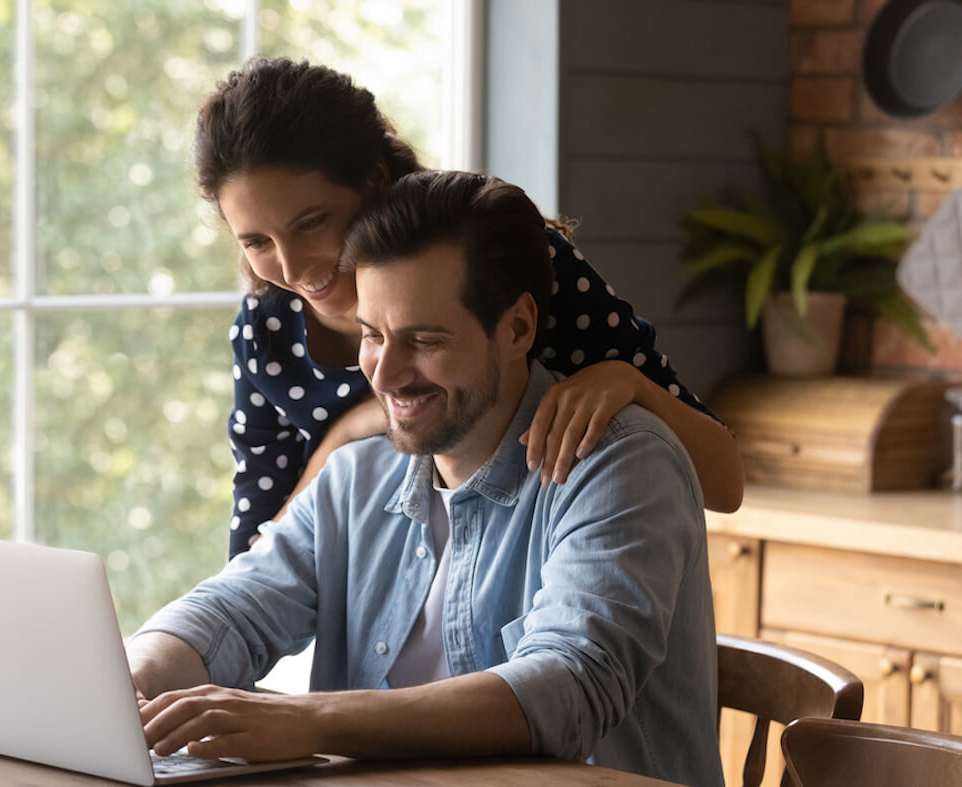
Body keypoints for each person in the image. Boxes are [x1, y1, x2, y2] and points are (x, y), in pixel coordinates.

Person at [128, 171, 723, 787]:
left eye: (425, 339)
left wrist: (308, 720)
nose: (385, 375)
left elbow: (568, 686)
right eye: (372, 335)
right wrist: (132, 679)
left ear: (517, 328)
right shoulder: (355, 479)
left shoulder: (621, 464)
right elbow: (232, 612)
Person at [196, 58, 743, 559]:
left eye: (311, 223)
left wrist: (627, 380)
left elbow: (724, 484)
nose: (292, 270)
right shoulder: (265, 332)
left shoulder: (504, 266)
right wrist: (349, 432)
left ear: (374, 179)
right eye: (256, 243)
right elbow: (256, 557)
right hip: (372, 629)